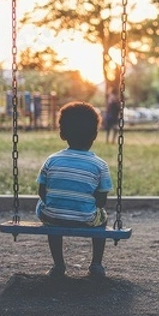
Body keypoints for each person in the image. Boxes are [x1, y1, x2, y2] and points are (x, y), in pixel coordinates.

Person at [35, 101, 113, 278]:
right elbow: (101, 201)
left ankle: (59, 265)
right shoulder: (100, 165)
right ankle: (96, 264)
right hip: (85, 218)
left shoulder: (51, 160)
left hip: (53, 216)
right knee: (102, 218)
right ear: (95, 135)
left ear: (62, 134)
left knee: (46, 209)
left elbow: (42, 191)